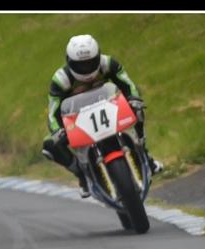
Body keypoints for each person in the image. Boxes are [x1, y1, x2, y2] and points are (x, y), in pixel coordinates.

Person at [42, 34, 163, 198]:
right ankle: (82, 175)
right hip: (77, 118)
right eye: (80, 65)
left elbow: (127, 84)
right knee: (50, 144)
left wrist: (134, 100)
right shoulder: (61, 79)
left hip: (108, 107)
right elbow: (52, 111)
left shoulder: (108, 63)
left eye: (90, 63)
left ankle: (145, 155)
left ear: (98, 56)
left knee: (138, 110)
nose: (86, 69)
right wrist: (57, 131)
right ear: (69, 62)